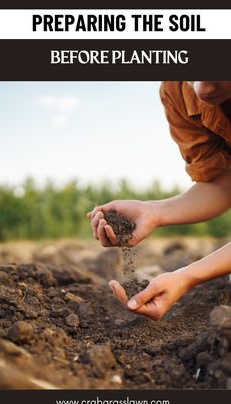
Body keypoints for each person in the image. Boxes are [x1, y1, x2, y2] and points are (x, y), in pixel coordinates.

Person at [87, 81, 231, 320]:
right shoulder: (177, 90)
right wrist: (155, 211)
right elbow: (222, 182)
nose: (202, 90)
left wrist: (188, 275)